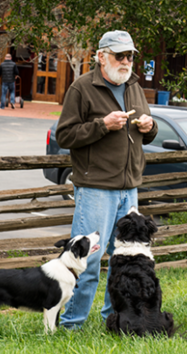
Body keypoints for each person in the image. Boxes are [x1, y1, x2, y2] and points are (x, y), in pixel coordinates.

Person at [55, 30, 158, 329]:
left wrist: (150, 127)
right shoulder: (81, 88)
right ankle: (72, 324)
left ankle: (116, 320)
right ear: (101, 56)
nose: (126, 62)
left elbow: (147, 132)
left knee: (123, 261)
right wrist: (102, 125)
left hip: (129, 188)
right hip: (96, 188)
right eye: (120, 55)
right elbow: (65, 136)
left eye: (130, 56)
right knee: (86, 263)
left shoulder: (134, 86)